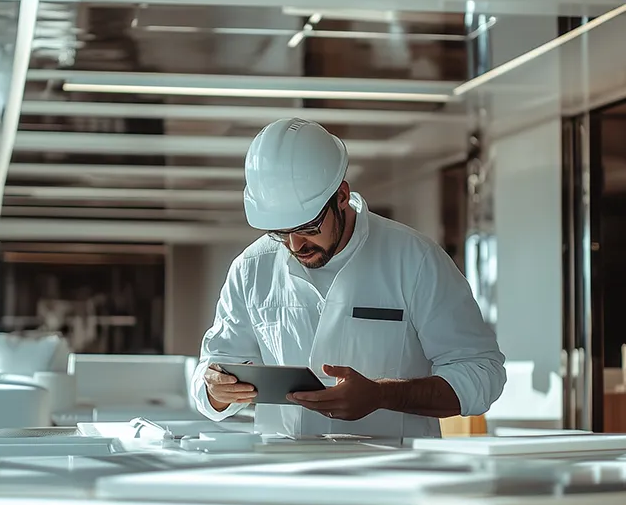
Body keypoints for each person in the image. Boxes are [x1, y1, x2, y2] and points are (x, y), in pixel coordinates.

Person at [191, 118, 506, 438]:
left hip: (393, 465)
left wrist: (383, 395)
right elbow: (211, 372)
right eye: (280, 233)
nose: (295, 246)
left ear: (341, 196)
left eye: (308, 227)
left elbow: (482, 373)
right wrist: (216, 390)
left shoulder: (415, 259)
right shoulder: (251, 268)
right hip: (284, 465)